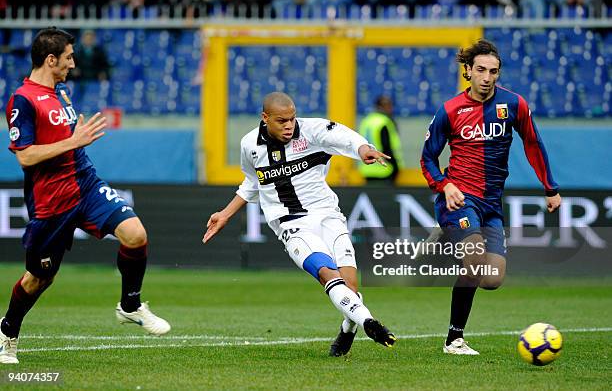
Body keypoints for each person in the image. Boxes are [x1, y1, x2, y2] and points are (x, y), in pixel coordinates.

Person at [0, 28, 170, 365]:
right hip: (51, 201)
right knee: (40, 278)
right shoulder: (22, 99)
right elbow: (25, 156)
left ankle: (130, 305)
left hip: (85, 183)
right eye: (68, 58)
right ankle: (8, 330)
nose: (73, 64)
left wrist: (75, 143)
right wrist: (73, 141)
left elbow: (67, 138)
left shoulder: (61, 91)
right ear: (51, 60)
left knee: (135, 235)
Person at [203, 91, 396, 357]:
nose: (289, 125)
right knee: (328, 274)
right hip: (291, 224)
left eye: (292, 119)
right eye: (281, 121)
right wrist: (226, 213)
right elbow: (252, 183)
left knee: (350, 288)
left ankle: (347, 329)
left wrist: (363, 149)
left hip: (329, 215)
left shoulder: (312, 130)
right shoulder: (249, 145)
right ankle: (369, 323)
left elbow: (343, 136)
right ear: (265, 118)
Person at [420, 39, 561, 355]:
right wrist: (444, 185)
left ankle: (447, 236)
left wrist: (550, 188)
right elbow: (427, 157)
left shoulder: (514, 105)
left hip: (491, 203)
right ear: (468, 71)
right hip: (458, 197)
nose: (487, 77)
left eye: (493, 71)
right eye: (480, 70)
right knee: (473, 257)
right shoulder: (450, 110)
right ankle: (454, 340)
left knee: (492, 278)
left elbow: (533, 144)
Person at [358, 95, 404, 185]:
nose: (390, 109)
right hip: (384, 170)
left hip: (367, 169)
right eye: (388, 106)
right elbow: (386, 147)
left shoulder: (366, 121)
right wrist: (395, 167)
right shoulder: (384, 122)